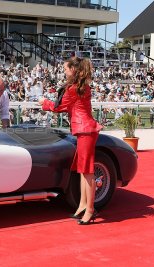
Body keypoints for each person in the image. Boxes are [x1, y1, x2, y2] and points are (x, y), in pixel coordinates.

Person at [38, 57, 103, 225]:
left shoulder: (74, 89)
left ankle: (90, 209)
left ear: (74, 70)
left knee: (87, 172)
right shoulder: (80, 87)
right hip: (86, 130)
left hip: (85, 131)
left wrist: (44, 102)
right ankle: (82, 205)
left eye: (66, 68)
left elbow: (58, 107)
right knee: (83, 171)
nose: (64, 71)